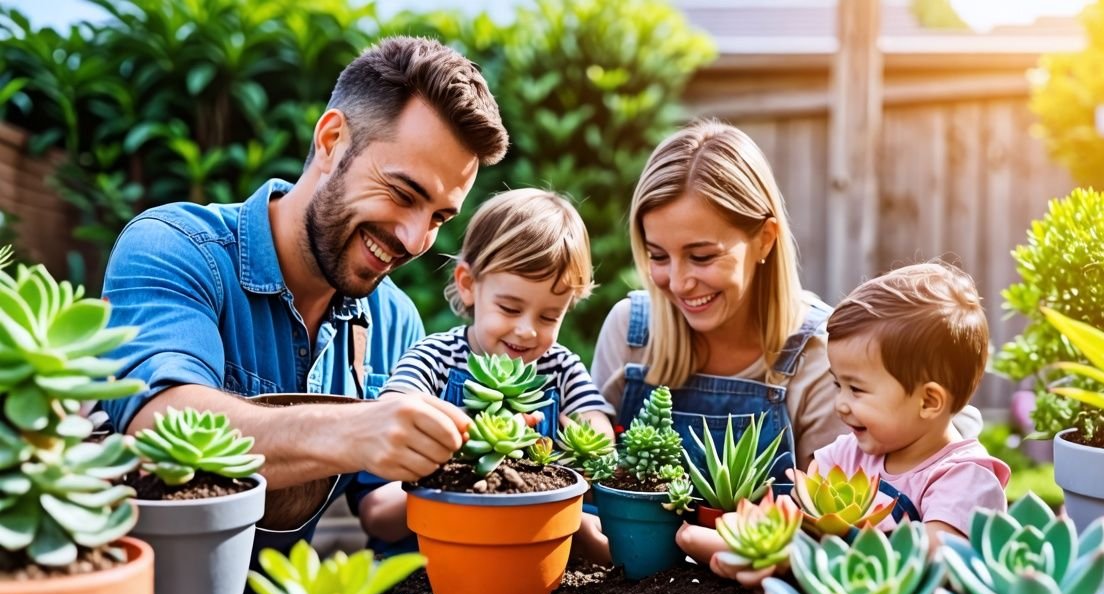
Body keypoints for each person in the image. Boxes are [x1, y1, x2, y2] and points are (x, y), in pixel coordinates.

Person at [98, 37, 509, 561]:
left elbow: (378, 502)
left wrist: (473, 472)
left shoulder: (395, 321)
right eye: (404, 194)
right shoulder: (172, 247)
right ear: (332, 139)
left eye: (437, 218)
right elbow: (160, 421)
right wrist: (353, 428)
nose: (413, 239)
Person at [707, 263, 1012, 586]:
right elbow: (802, 514)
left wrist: (804, 557)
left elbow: (931, 557)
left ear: (928, 402)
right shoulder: (848, 455)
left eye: (856, 389)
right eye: (837, 385)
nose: (840, 404)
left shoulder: (965, 478)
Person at [357, 188, 615, 549]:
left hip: (526, 541)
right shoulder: (436, 357)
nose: (527, 330)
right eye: (509, 308)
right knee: (380, 507)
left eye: (548, 315)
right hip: (430, 543)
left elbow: (597, 430)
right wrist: (468, 442)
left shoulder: (561, 366)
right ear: (468, 285)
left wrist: (587, 444)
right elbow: (392, 411)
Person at [590, 119, 841, 491]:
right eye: (658, 256)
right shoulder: (630, 332)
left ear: (765, 240)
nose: (677, 283)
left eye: (702, 256)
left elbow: (824, 523)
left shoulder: (822, 355)